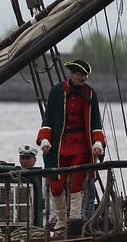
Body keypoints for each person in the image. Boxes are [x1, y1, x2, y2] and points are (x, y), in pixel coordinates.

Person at [36, 59, 106, 231]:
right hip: (59, 145)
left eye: (85, 75)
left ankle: (74, 220)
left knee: (76, 182)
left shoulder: (90, 94)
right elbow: (48, 118)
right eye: (80, 75)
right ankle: (61, 219)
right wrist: (45, 139)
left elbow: (96, 120)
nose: (83, 78)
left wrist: (98, 142)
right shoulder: (57, 91)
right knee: (56, 184)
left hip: (81, 144)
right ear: (72, 74)